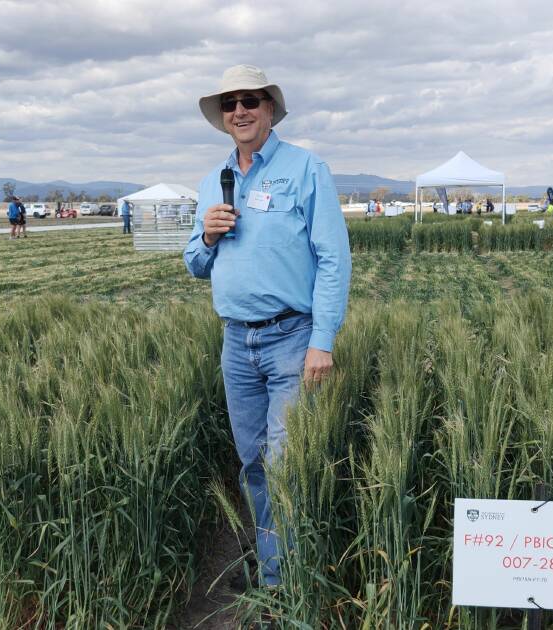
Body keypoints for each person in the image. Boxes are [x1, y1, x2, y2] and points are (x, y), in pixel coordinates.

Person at [184, 64, 351, 588]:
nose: (240, 111)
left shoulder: (306, 169)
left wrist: (321, 341)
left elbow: (333, 258)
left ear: (270, 109)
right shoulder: (214, 180)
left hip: (291, 338)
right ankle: (273, 560)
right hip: (236, 342)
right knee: (252, 462)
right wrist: (207, 238)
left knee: (285, 463)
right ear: (222, 117)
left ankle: (283, 583)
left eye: (250, 100)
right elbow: (193, 262)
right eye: (230, 103)